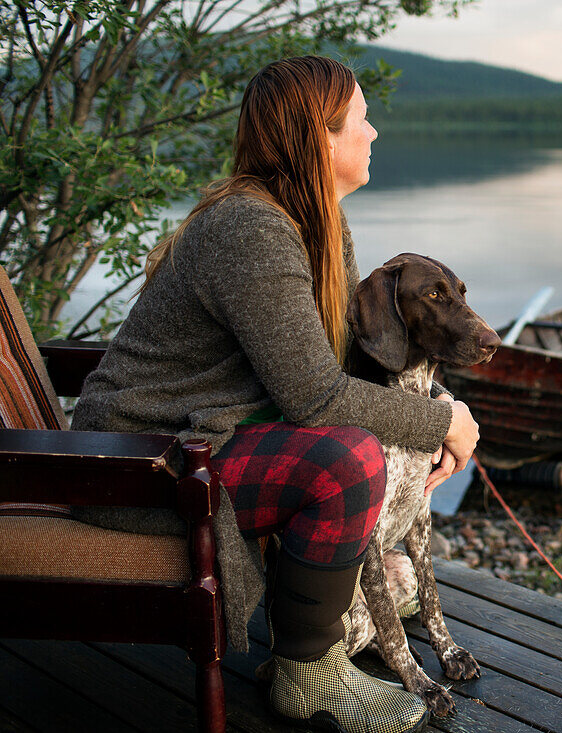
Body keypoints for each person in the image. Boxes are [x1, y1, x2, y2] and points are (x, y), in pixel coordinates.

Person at [71, 56, 478, 733]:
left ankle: (326, 609)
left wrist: (443, 410)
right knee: (344, 457)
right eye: (363, 119)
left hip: (201, 441)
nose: (375, 132)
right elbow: (317, 397)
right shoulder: (251, 229)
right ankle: (308, 670)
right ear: (321, 136)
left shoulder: (317, 225)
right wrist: (440, 421)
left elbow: (349, 365)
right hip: (142, 462)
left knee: (362, 440)